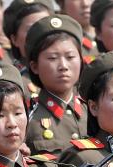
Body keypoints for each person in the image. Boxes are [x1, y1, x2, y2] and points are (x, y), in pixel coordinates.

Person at [24, 13, 88, 154]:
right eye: (52, 58)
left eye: (70, 57)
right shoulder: (26, 118)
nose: (63, 66)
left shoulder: (95, 111)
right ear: (34, 66)